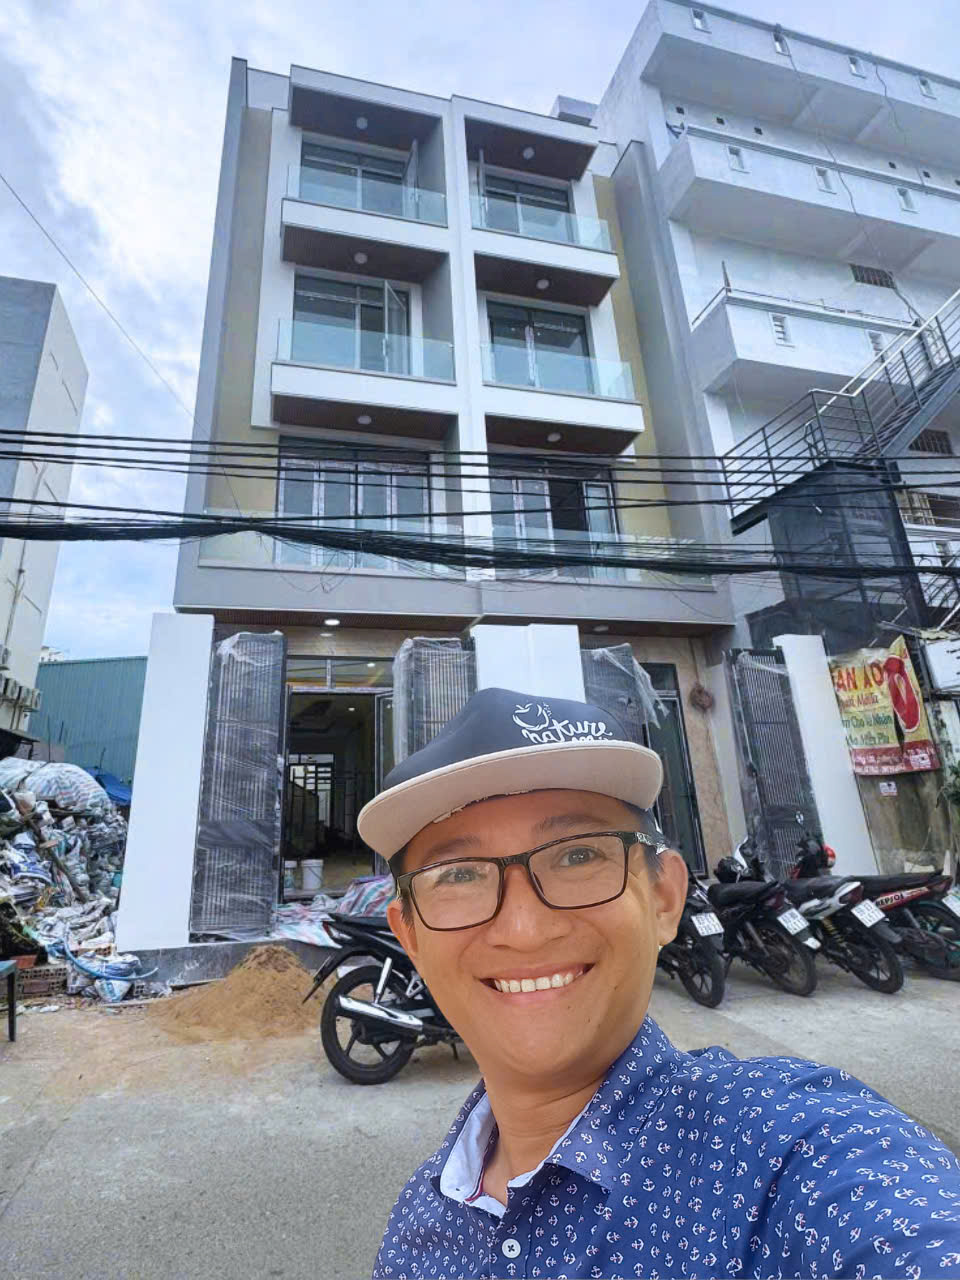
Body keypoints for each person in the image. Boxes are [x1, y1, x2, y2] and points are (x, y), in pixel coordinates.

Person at [357, 687, 960, 1280]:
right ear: (410, 937)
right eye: (458, 874)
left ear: (665, 898)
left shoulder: (789, 1154)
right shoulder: (416, 1228)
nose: (524, 931)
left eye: (577, 856)